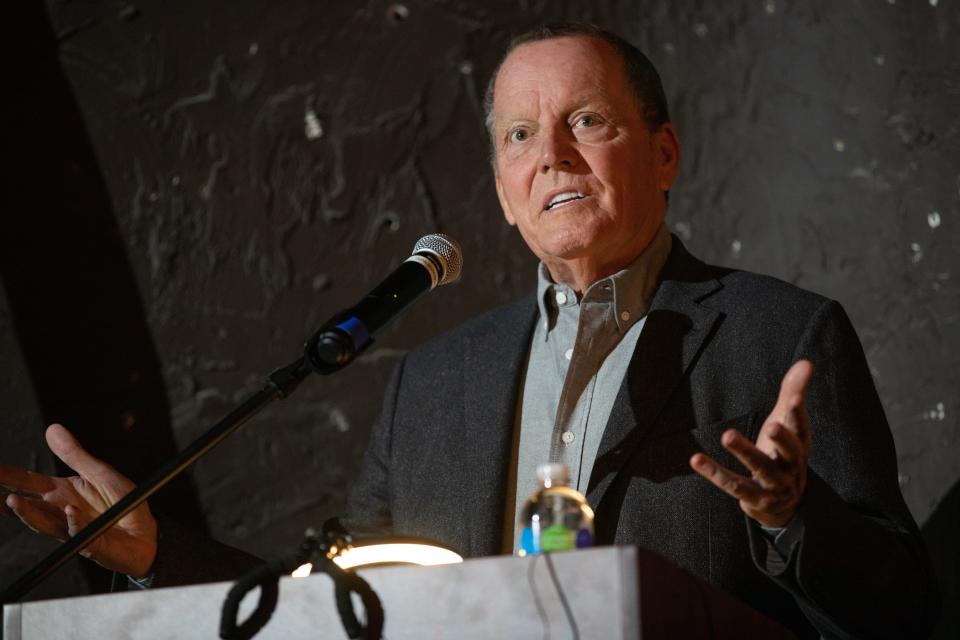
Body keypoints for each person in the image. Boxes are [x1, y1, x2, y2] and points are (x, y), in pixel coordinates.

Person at [0, 22, 938, 639]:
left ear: (663, 152)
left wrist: (789, 518)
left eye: (587, 120)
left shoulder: (783, 334)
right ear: (500, 190)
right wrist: (155, 550)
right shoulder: (435, 381)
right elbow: (337, 602)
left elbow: (906, 609)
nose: (552, 155)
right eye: (520, 137)